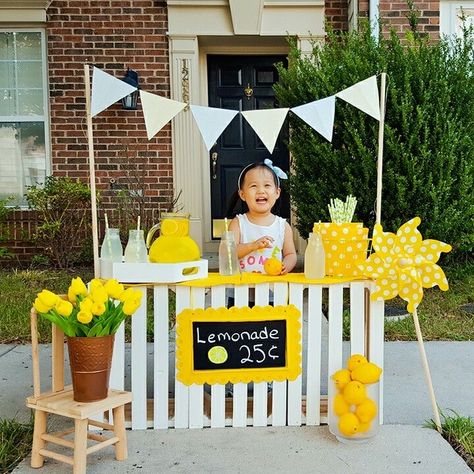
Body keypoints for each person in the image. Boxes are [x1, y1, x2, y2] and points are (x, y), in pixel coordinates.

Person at [228, 159, 297, 275]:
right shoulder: (238, 223)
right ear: (242, 194)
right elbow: (230, 252)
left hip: (272, 287)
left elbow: (290, 254)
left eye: (267, 185)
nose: (261, 190)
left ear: (277, 193)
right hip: (242, 287)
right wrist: (253, 246)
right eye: (254, 186)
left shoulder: (282, 226)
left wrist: (286, 265)